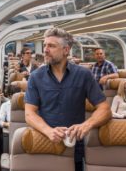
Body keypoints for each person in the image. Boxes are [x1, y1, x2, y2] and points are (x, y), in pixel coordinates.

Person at [24, 28, 111, 171]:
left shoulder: (84, 75)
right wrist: (49, 131)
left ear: (66, 50)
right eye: (45, 45)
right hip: (45, 145)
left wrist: (86, 125)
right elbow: (29, 114)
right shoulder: (35, 77)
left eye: (51, 46)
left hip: (75, 147)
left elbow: (105, 109)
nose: (45, 50)